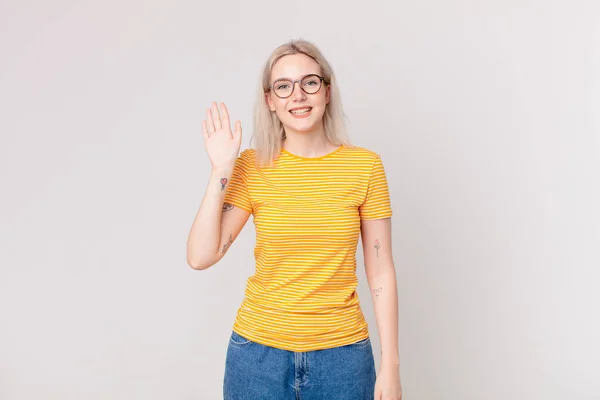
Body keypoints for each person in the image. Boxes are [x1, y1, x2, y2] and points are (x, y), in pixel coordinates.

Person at [186, 39, 402, 400]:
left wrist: (391, 367)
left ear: (327, 91)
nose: (298, 95)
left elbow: (380, 270)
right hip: (257, 358)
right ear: (270, 100)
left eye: (310, 82)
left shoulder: (364, 167)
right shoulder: (252, 167)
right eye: (284, 87)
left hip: (343, 358)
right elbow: (200, 256)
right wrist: (221, 169)